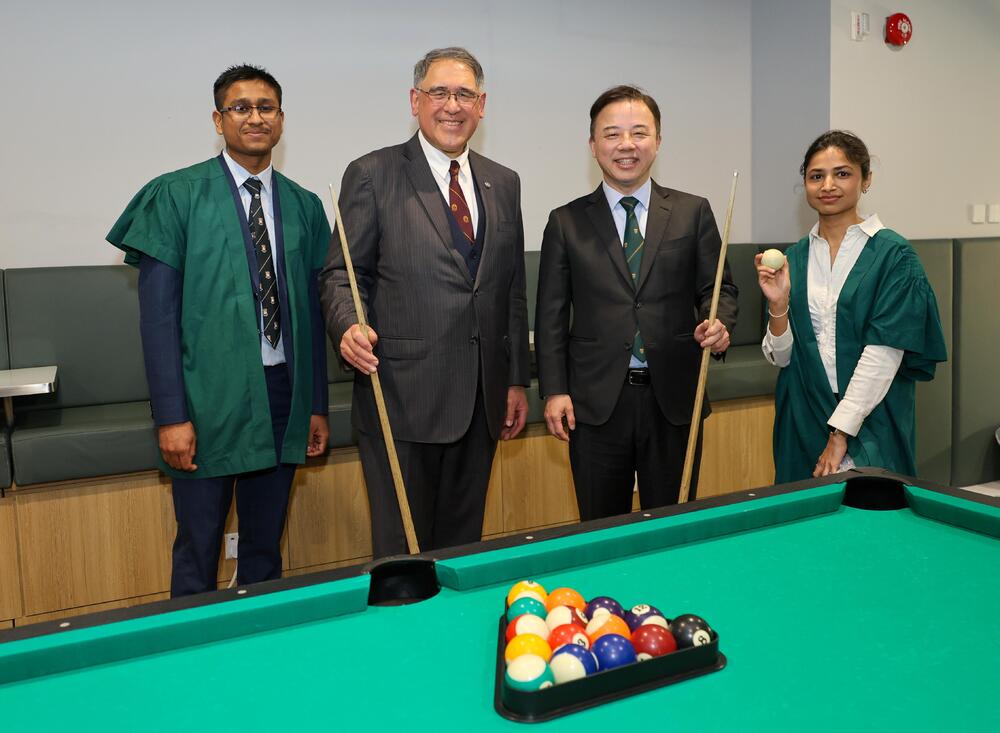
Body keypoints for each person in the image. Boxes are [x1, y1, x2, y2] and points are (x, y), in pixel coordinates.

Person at [107, 64, 331, 596]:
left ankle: (260, 654)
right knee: (198, 544)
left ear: (281, 119)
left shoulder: (305, 205)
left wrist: (315, 403)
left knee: (264, 545)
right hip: (206, 403)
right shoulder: (175, 196)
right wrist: (171, 416)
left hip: (282, 397)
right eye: (241, 107)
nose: (255, 117)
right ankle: (190, 658)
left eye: (266, 107)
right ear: (218, 119)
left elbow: (313, 312)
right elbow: (157, 320)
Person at [320, 47, 529, 557]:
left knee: (463, 553)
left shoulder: (503, 181)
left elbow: (511, 288)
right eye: (439, 92)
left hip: (482, 398)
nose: (452, 106)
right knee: (403, 557)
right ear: (415, 100)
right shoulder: (372, 173)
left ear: (482, 105)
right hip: (400, 397)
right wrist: (349, 326)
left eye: (464, 95)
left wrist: (518, 378)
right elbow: (342, 275)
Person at [535, 85, 738, 521]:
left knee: (674, 524)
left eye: (639, 133)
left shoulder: (692, 211)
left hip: (675, 397)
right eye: (612, 134)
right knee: (600, 525)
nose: (626, 145)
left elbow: (719, 289)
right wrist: (553, 390)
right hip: (595, 403)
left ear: (658, 141)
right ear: (593, 146)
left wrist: (718, 322)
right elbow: (550, 316)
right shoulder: (565, 221)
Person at [756, 130, 946, 482]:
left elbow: (884, 354)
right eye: (816, 176)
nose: (828, 185)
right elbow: (781, 358)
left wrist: (840, 433)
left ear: (866, 179)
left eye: (842, 173)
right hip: (803, 412)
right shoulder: (792, 257)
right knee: (803, 526)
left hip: (873, 414)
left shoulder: (894, 256)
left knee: (873, 519)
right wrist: (779, 304)